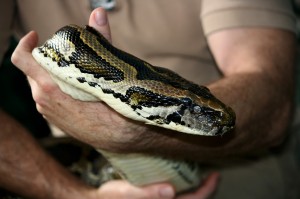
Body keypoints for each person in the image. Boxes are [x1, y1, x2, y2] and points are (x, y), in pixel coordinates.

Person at [2, 0, 300, 198]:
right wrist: (76, 194)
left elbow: (270, 93)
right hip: (79, 169)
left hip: (235, 164)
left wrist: (126, 135)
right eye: (187, 107)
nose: (215, 116)